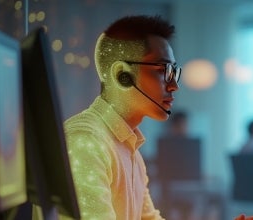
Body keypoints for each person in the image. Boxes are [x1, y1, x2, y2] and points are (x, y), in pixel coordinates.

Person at [62, 15, 180, 219]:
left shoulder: (129, 147)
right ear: (122, 75)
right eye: (163, 70)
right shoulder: (85, 141)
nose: (173, 85)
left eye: (174, 73)